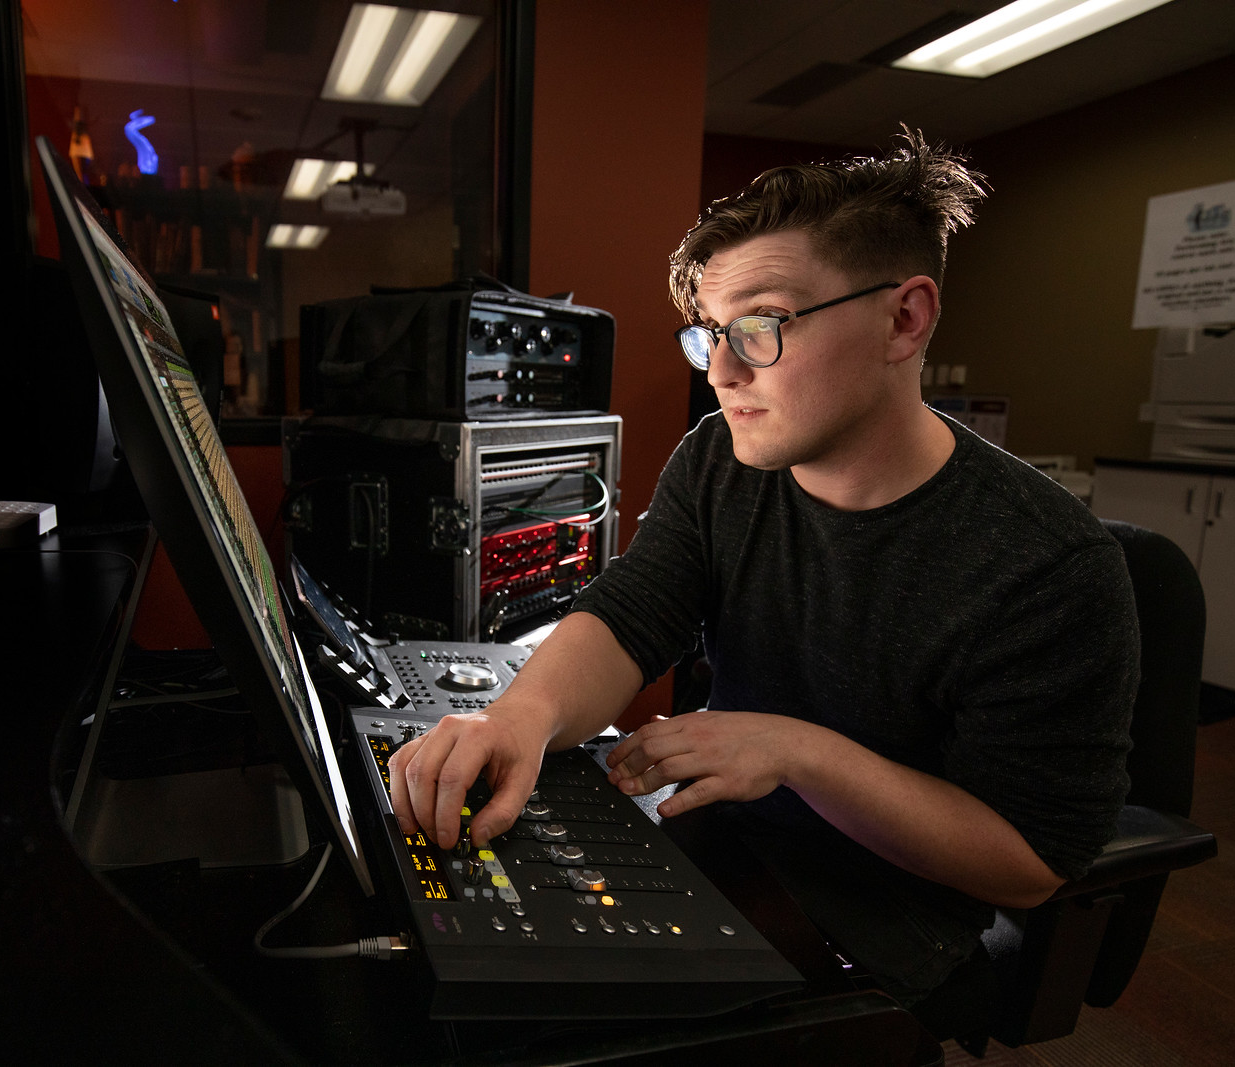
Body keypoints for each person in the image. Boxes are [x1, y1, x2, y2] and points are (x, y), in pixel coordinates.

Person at [387, 130, 1138, 1005]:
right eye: (708, 335)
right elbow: (634, 612)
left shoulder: (1049, 565)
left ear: (906, 318)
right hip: (716, 837)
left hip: (884, 915)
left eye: (761, 326)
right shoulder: (720, 460)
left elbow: (1030, 865)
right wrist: (516, 717)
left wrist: (798, 752)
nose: (722, 373)